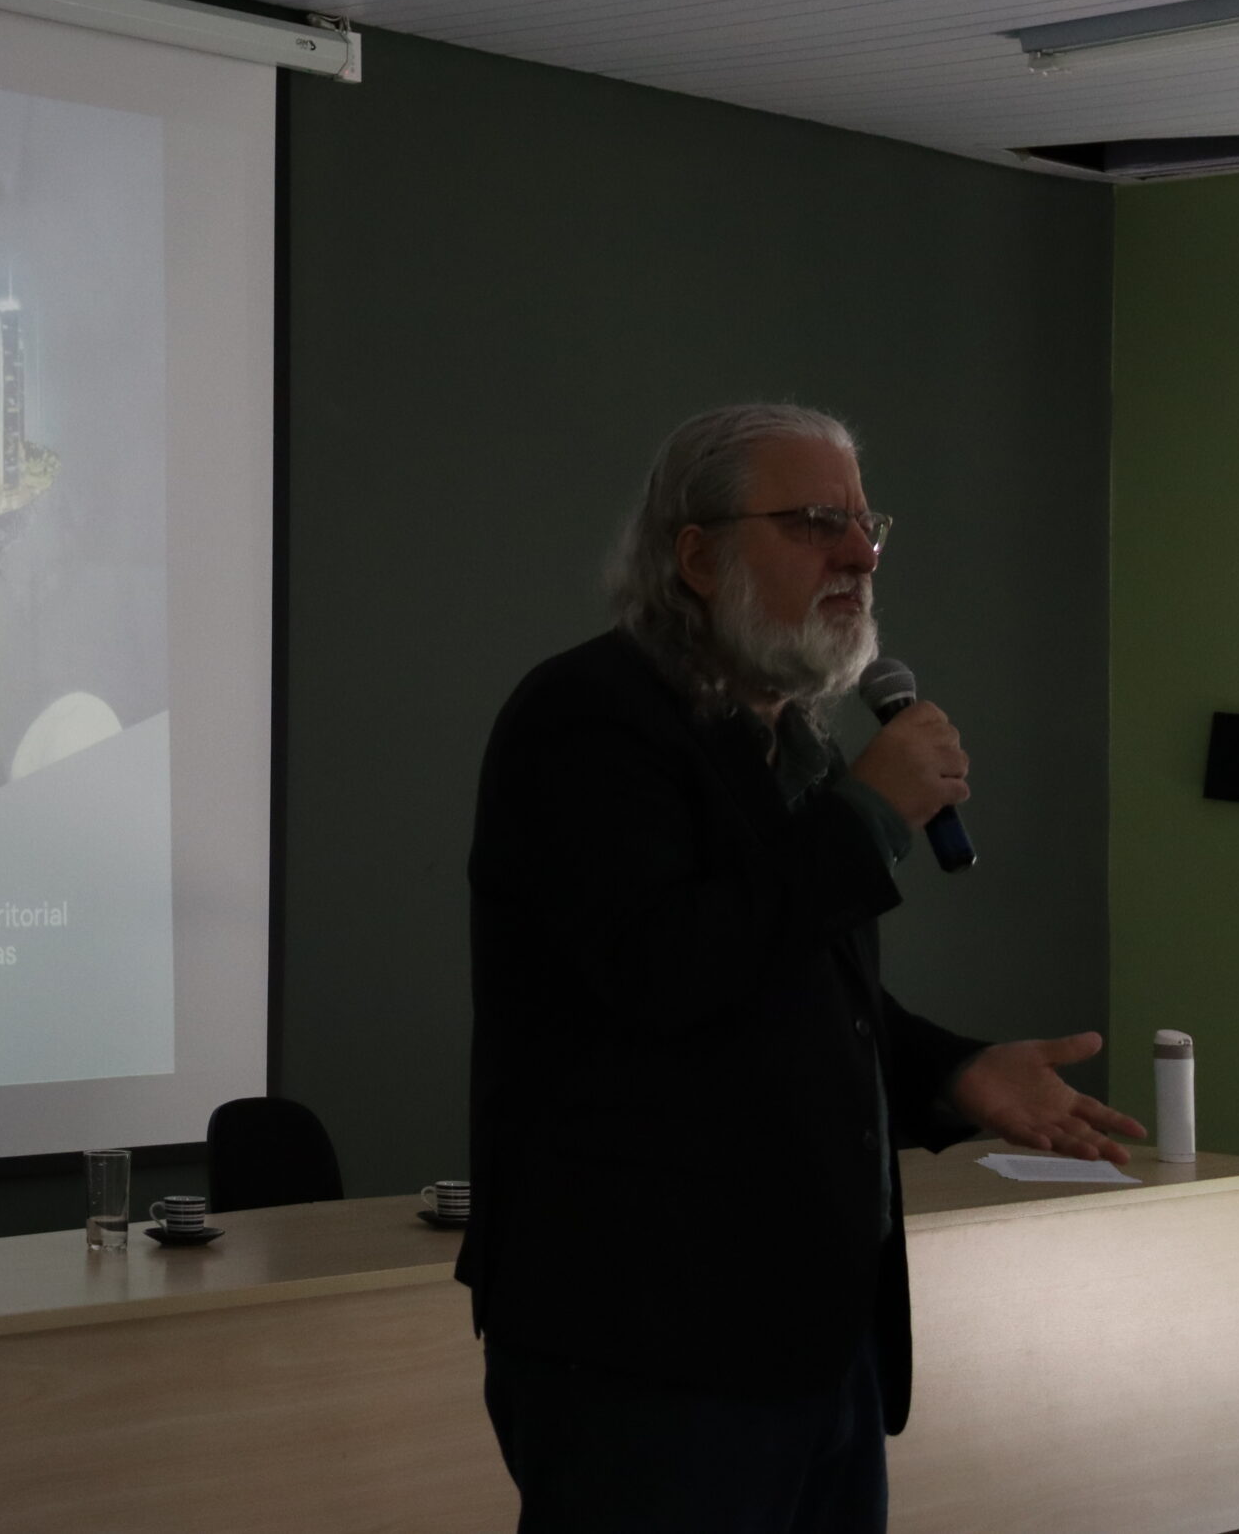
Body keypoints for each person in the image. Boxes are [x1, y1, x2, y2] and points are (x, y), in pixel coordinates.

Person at [456, 404, 1144, 1533]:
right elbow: (664, 970)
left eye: (867, 524)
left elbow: (798, 991)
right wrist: (866, 815)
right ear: (697, 555)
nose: (860, 554)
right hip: (649, 1346)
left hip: (816, 1342)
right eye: (818, 522)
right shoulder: (585, 719)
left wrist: (953, 1071)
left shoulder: (780, 737)